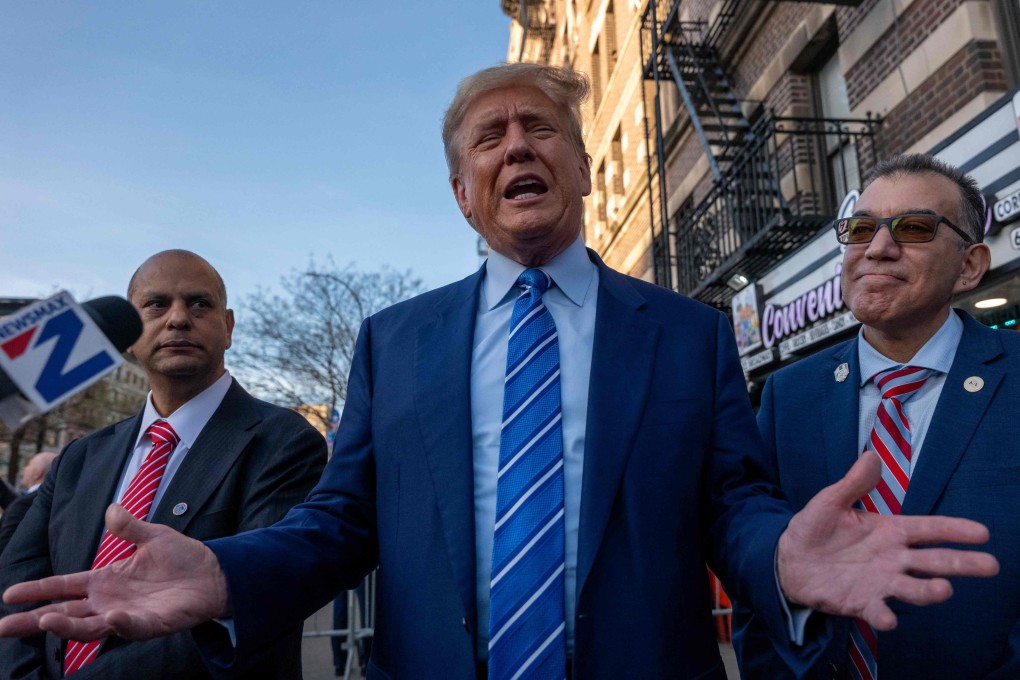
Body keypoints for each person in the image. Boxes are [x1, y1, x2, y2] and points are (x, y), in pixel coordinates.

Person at [0, 66, 998, 680]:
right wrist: (228, 572)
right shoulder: (395, 340)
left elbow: (731, 502)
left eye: (541, 128)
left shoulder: (687, 334)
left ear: (584, 169)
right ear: (462, 192)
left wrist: (780, 557)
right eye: (490, 137)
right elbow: (340, 522)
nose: (517, 144)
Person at [733, 154, 1020, 679]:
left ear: (970, 265)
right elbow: (761, 569)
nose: (878, 247)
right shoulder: (788, 395)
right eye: (862, 229)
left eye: (914, 228)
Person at [0, 250, 327, 679]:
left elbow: (251, 606)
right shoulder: (80, 457)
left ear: (228, 327)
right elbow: (17, 586)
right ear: (129, 335)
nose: (178, 319)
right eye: (156, 304)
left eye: (199, 303)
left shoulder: (284, 441)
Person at [0, 452, 58, 555]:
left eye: (28, 464)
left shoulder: (27, 503)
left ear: (37, 473)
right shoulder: (53, 500)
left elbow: (5, 546)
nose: (24, 468)